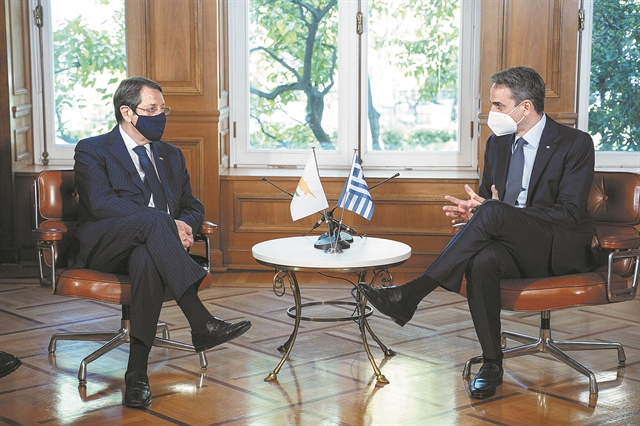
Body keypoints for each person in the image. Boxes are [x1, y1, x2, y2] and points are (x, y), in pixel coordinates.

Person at [359, 66, 595, 399]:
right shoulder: (497, 144)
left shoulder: (575, 143)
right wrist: (476, 211)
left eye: (499, 105)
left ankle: (411, 295)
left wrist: (498, 212)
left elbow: (568, 214)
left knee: (494, 212)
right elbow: (488, 200)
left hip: (555, 247)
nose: (491, 113)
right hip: (508, 245)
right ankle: (492, 363)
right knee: (483, 260)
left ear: (526, 107)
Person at [73, 76, 252, 408]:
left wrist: (183, 224)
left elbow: (192, 205)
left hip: (153, 249)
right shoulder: (93, 149)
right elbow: (99, 203)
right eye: (152, 109)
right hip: (106, 245)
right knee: (156, 220)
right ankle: (200, 321)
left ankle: (136, 374)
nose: (160, 116)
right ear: (127, 112)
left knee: (145, 257)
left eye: (163, 109)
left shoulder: (171, 154)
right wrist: (167, 224)